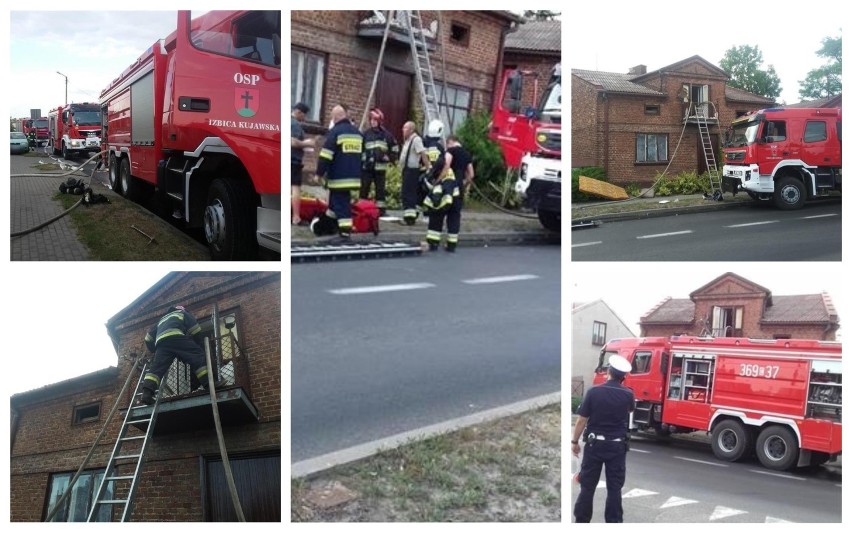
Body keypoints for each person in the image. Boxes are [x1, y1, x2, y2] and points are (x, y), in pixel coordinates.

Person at [572, 354, 635, 523]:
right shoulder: (628, 395)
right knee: (614, 488)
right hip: (617, 447)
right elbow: (629, 411)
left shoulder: (594, 391)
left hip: (594, 445)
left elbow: (581, 420)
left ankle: (582, 522)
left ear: (608, 371)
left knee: (587, 486)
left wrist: (574, 441)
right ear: (624, 376)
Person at [141, 306, 212, 406]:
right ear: (182, 310)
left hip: (162, 345)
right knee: (197, 356)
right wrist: (197, 344)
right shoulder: (182, 313)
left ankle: (147, 393)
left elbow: (148, 338)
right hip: (177, 337)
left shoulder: (161, 320)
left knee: (156, 368)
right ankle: (208, 383)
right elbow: (195, 329)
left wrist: (154, 350)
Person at [312, 105, 363, 240]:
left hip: (338, 178)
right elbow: (362, 157)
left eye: (332, 117)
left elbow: (326, 156)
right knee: (334, 205)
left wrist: (318, 174)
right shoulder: (357, 133)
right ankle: (325, 227)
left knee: (341, 204)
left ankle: (345, 232)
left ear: (335, 117)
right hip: (354, 177)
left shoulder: (335, 132)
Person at [421, 120, 458, 251]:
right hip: (443, 185)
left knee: (434, 210)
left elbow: (430, 163)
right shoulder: (440, 149)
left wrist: (429, 176)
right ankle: (436, 241)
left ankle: (433, 241)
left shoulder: (424, 144)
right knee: (437, 211)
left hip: (437, 184)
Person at [360, 108, 398, 215]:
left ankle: (380, 211)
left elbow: (395, 149)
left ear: (380, 121)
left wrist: (389, 158)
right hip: (367, 167)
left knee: (380, 191)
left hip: (380, 168)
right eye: (371, 119)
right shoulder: (366, 134)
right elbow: (361, 149)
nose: (372, 122)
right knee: (364, 189)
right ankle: (362, 208)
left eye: (375, 120)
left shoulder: (387, 135)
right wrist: (363, 161)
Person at [398, 121, 432, 225]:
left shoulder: (416, 139)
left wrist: (429, 167)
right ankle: (407, 216)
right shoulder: (408, 140)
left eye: (405, 128)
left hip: (412, 171)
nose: (403, 130)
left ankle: (410, 219)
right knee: (405, 193)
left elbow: (423, 153)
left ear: (411, 129)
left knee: (409, 194)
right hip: (406, 170)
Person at [291, 102, 314, 226]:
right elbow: (292, 142)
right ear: (298, 112)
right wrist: (307, 144)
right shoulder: (295, 124)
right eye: (304, 115)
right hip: (293, 161)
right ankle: (296, 217)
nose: (304, 118)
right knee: (295, 189)